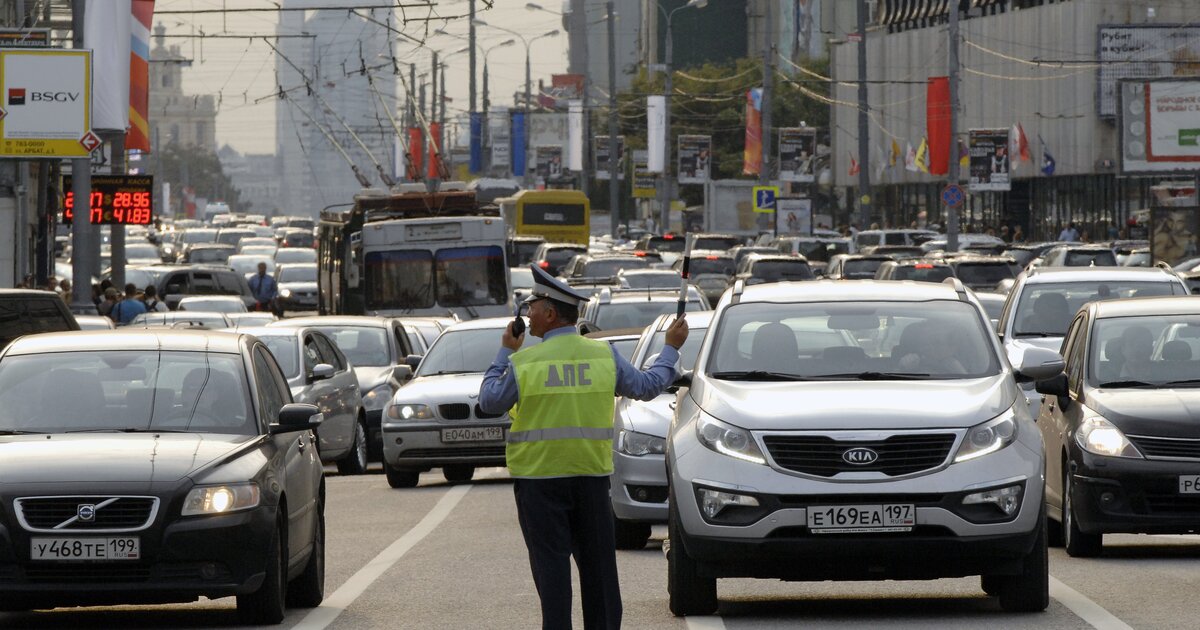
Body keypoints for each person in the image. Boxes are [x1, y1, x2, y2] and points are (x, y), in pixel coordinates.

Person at [479, 264, 688, 630]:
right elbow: (647, 385)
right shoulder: (602, 356)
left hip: (539, 482)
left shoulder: (524, 362)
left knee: (552, 572)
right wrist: (670, 349)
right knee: (600, 573)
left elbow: (489, 401)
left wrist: (504, 351)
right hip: (591, 480)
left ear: (549, 313)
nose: (526, 314)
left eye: (532, 307)